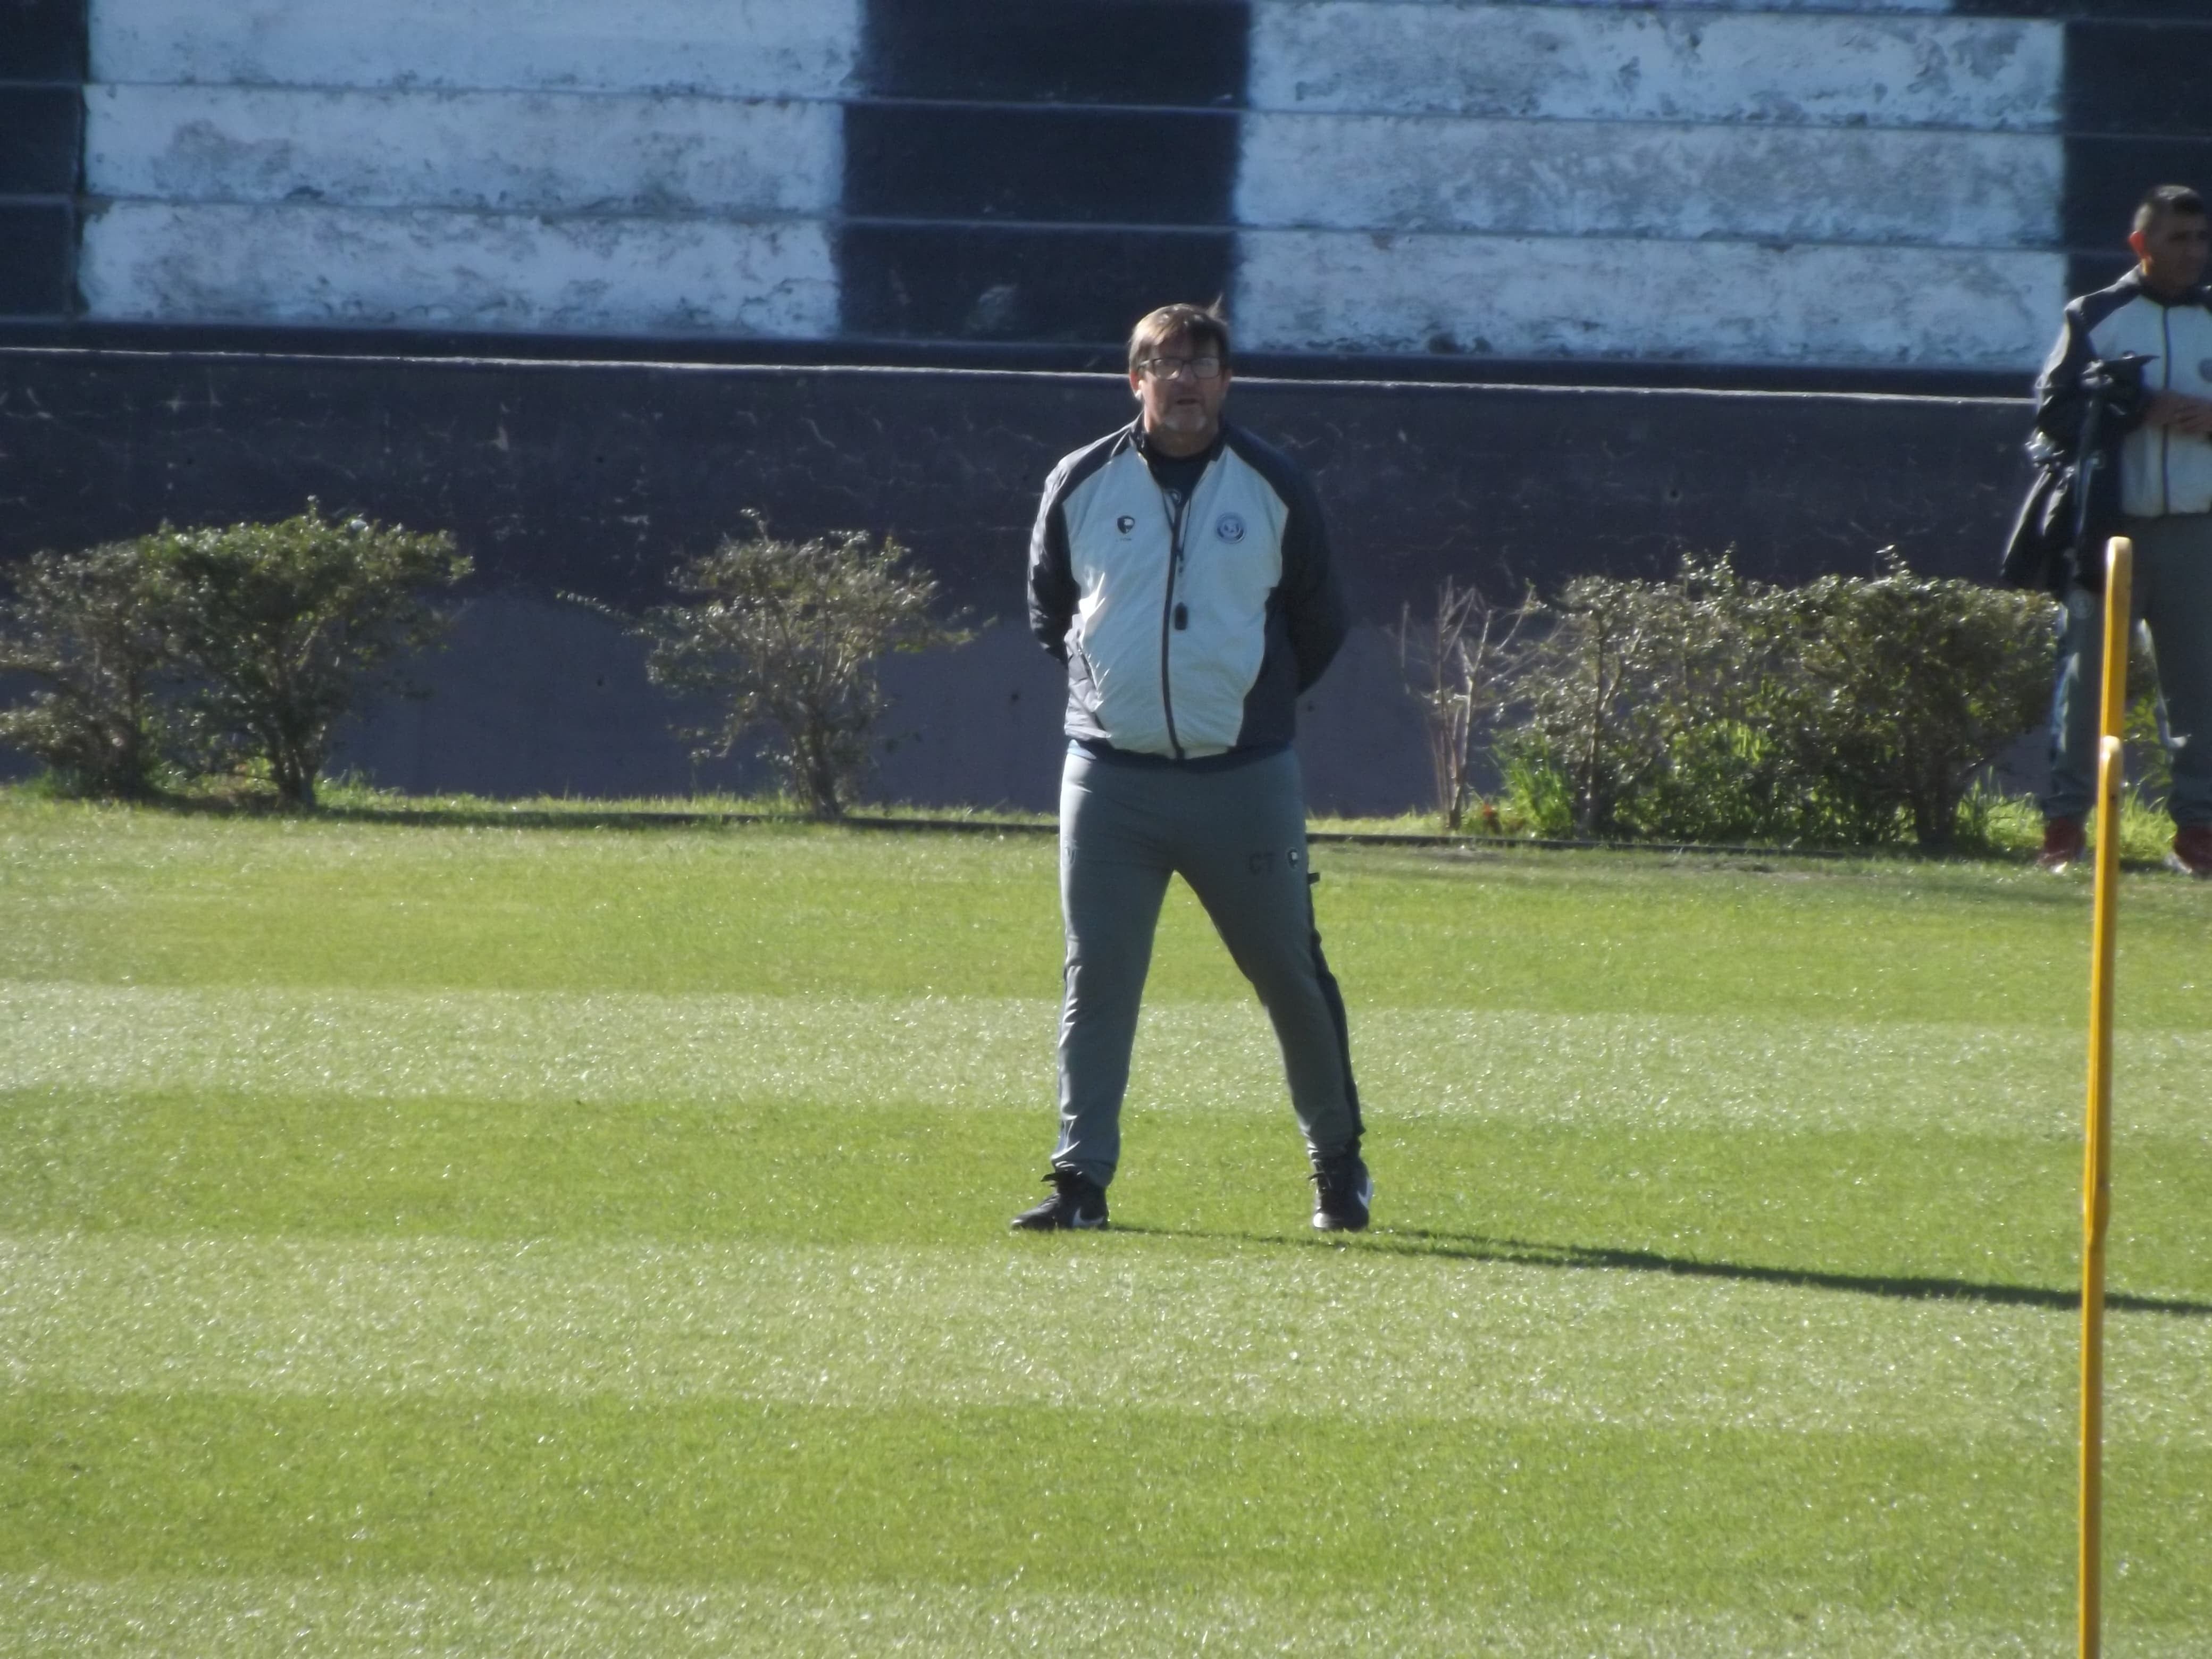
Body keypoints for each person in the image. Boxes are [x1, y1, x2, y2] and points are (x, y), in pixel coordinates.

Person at [1013, 302, 1370, 1232]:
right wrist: (1117, 694)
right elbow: (1051, 612)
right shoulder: (1081, 480)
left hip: (1243, 781)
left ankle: (1337, 1166)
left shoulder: (1272, 484)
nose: (1185, 381)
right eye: (1166, 365)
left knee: (1289, 972)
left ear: (1226, 381)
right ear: (1135, 379)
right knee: (1097, 978)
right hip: (1110, 781)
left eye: (1203, 365)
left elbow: (1320, 622)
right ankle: (1080, 1182)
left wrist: (1243, 700)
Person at [2035, 184, 2212, 877]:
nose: (2193, 252)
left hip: (2196, 531)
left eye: (2201, 239)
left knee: (2200, 690)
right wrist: (2134, 406)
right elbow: (2053, 415)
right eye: (2178, 239)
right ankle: (2065, 825)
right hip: (2109, 531)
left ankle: (2198, 830)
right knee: (2086, 682)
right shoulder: (2095, 315)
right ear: (2141, 245)